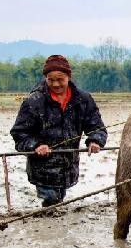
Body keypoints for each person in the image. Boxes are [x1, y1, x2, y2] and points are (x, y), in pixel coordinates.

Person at [10, 55, 107, 207]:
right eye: (51, 80)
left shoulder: (83, 100)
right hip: (42, 170)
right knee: (51, 201)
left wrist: (95, 140)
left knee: (58, 202)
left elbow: (97, 127)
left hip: (68, 167)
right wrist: (36, 145)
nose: (55, 84)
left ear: (69, 77)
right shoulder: (34, 101)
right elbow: (19, 134)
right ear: (45, 78)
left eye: (60, 79)